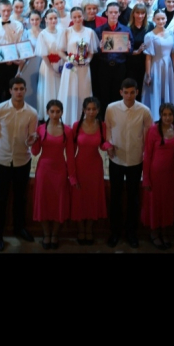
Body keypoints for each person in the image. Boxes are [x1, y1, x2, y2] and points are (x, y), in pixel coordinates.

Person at [0, 77, 38, 252]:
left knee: (20, 197)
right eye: (16, 89)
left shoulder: (32, 113)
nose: (19, 92)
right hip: (2, 160)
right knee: (1, 198)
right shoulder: (0, 109)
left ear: (25, 90)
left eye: (22, 88)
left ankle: (19, 228)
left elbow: (31, 138)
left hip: (22, 160)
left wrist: (31, 140)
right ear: (10, 91)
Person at [104, 78, 152, 248]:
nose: (129, 96)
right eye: (126, 92)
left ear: (137, 92)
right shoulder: (111, 108)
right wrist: (108, 145)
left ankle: (131, 233)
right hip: (116, 159)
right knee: (115, 197)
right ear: (121, 92)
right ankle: (115, 232)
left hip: (135, 160)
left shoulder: (144, 111)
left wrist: (145, 154)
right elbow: (108, 129)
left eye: (132, 92)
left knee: (133, 198)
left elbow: (148, 135)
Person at [28, 99, 77, 250]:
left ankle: (55, 234)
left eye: (58, 111)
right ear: (47, 112)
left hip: (60, 170)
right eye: (52, 111)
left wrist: (72, 176)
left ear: (62, 112)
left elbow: (70, 155)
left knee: (58, 203)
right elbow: (35, 152)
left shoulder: (67, 130)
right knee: (43, 202)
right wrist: (33, 141)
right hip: (44, 170)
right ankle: (46, 234)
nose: (55, 114)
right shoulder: (40, 129)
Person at [141, 103, 174, 249]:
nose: (167, 118)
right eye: (165, 115)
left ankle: (165, 232)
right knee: (155, 203)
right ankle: (154, 233)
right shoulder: (153, 130)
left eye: (170, 115)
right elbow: (147, 155)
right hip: (155, 174)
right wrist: (146, 178)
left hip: (170, 174)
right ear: (160, 115)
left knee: (167, 203)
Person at [70, 97, 109, 245]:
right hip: (80, 166)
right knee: (79, 199)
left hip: (95, 167)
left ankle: (89, 230)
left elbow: (103, 145)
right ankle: (81, 230)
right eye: (88, 109)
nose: (91, 112)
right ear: (83, 110)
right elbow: (71, 151)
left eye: (94, 109)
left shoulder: (102, 125)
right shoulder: (76, 125)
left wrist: (109, 147)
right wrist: (72, 175)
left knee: (93, 198)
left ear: (98, 110)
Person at [57, 7, 99, 125]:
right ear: (71, 18)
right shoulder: (66, 32)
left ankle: (84, 120)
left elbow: (91, 51)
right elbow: (60, 51)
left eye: (79, 16)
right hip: (71, 67)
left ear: (83, 16)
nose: (77, 19)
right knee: (70, 91)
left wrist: (88, 60)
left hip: (84, 68)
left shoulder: (90, 32)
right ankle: (68, 121)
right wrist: (70, 59)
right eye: (74, 17)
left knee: (83, 91)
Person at [142, 9, 174, 120]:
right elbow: (148, 57)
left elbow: (172, 54)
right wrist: (148, 75)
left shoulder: (171, 34)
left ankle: (168, 117)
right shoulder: (149, 36)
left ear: (166, 19)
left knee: (167, 91)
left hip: (168, 67)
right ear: (154, 20)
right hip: (156, 67)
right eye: (158, 19)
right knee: (155, 92)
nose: (161, 21)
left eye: (163, 19)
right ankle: (155, 118)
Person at [0, 0, 25, 103]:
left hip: (14, 64)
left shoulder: (18, 25)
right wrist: (4, 59)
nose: (6, 13)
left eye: (8, 10)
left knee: (13, 93)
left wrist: (18, 62)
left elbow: (20, 45)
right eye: (4, 10)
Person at [35, 9, 63, 121]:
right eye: (50, 18)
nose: (53, 20)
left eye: (55, 18)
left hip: (60, 63)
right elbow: (44, 54)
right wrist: (51, 70)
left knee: (60, 88)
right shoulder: (43, 34)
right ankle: (48, 115)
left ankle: (60, 113)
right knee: (48, 88)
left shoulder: (61, 32)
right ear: (45, 20)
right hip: (48, 66)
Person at [125, 3, 154, 98]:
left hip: (147, 62)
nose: (140, 16)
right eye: (137, 13)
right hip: (132, 63)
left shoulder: (150, 26)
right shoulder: (127, 28)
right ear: (133, 14)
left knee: (145, 88)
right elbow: (125, 49)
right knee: (133, 87)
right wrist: (137, 51)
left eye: (142, 13)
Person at [18, 12, 42, 112]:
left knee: (40, 90)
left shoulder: (44, 32)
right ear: (29, 21)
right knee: (29, 90)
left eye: (37, 19)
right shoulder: (26, 33)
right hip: (29, 64)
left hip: (42, 64)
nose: (34, 22)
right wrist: (19, 71)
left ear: (41, 20)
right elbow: (22, 53)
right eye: (32, 20)